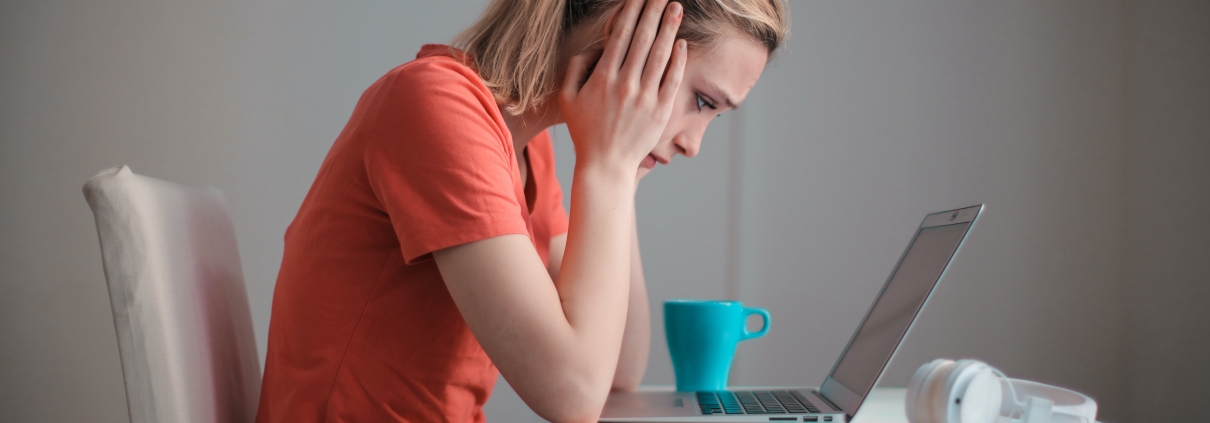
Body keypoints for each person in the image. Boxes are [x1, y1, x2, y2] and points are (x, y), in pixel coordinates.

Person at [255, 0, 789, 421]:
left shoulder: (529, 151)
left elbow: (619, 369)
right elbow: (573, 394)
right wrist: (606, 168)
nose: (694, 144)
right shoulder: (434, 105)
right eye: (703, 102)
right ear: (627, 41)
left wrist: (621, 176)